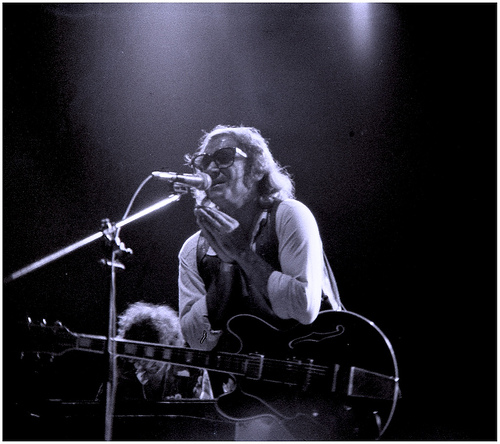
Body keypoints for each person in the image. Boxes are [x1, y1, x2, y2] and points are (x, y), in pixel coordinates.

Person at [177, 125, 343, 439]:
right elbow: (199, 340)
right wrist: (226, 266)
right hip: (253, 404)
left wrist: (242, 253)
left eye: (224, 157)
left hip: (322, 389)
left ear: (256, 168)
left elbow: (304, 307)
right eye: (203, 161)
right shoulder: (193, 250)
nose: (211, 168)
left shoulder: (290, 216)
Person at [113, 301, 213, 401]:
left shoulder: (191, 371)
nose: (144, 363)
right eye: (139, 357)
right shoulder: (121, 371)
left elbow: (203, 406)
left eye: (154, 354)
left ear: (168, 345)